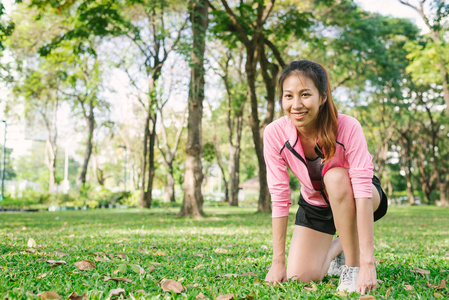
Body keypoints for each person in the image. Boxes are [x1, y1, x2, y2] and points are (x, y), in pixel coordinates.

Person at [263, 60, 388, 294]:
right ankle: (337, 249)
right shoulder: (274, 133)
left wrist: (367, 264)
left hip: (358, 195)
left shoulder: (348, 126)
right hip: (315, 205)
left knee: (335, 177)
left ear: (322, 97)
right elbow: (279, 196)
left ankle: (351, 264)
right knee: (300, 277)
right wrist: (278, 261)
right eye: (288, 96)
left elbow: (361, 188)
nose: (296, 104)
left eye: (305, 94)